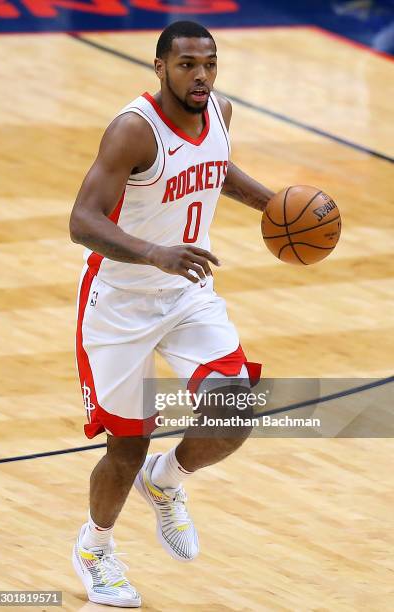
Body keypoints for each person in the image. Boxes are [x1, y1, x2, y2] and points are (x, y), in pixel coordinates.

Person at [70, 20, 274, 608]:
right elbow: (82, 221)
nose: (201, 75)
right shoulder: (133, 131)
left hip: (187, 293)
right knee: (125, 445)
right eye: (187, 64)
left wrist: (272, 202)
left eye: (209, 63)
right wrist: (154, 252)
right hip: (121, 304)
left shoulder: (221, 112)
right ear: (160, 67)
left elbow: (216, 168)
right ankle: (95, 548)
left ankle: (167, 480)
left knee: (234, 410)